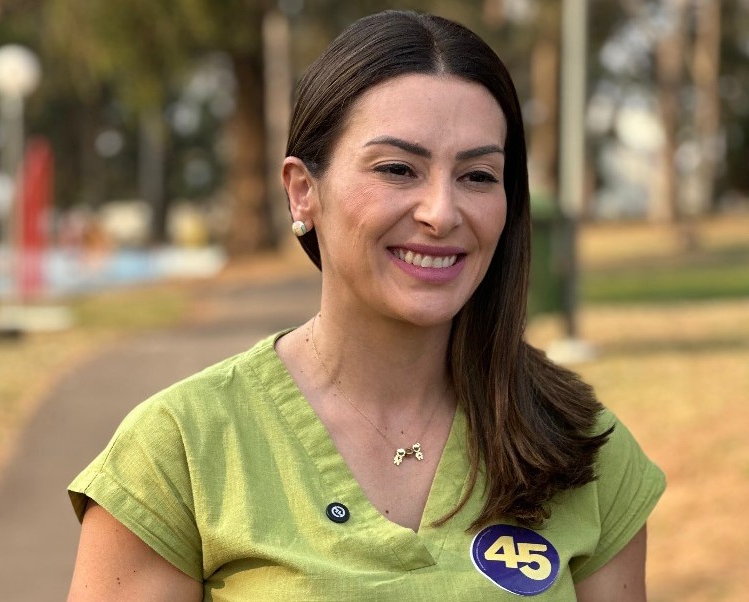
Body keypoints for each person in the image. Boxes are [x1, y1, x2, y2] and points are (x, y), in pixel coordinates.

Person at [66, 10, 665, 601]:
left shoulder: (581, 446)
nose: (442, 212)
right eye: (398, 169)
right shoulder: (179, 452)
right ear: (304, 192)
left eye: (478, 176)